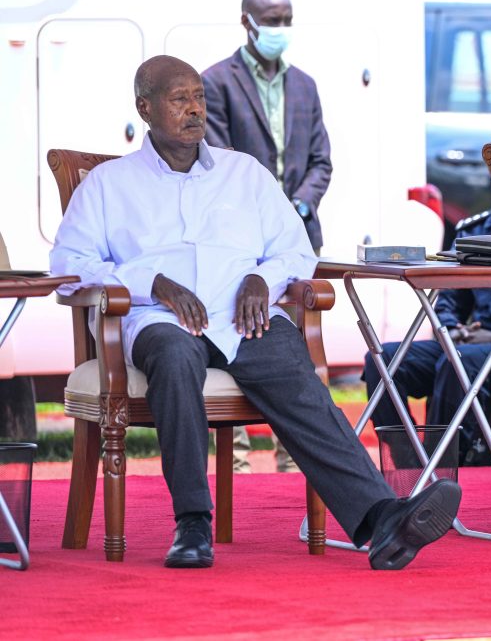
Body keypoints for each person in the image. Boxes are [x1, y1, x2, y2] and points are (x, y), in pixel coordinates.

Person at [49, 55, 460, 569]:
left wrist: (259, 279)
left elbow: (295, 250)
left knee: (296, 374)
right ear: (145, 108)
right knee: (175, 358)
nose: (194, 109)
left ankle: (382, 520)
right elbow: (69, 264)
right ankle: (193, 526)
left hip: (241, 317)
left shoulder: (244, 173)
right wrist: (148, 281)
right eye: (180, 100)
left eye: (198, 96)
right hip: (157, 318)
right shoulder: (109, 184)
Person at [201, 0, 332, 473]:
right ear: (246, 22)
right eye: (271, 20)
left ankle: (292, 456)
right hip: (235, 238)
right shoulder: (215, 82)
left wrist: (298, 205)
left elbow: (321, 160)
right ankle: (232, 457)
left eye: (286, 19)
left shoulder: (304, 84)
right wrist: (265, 207)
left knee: (293, 343)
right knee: (234, 333)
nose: (280, 29)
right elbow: (219, 162)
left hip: (295, 235)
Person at [364, 129, 491, 466]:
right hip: (469, 339)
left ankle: (443, 466)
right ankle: (408, 462)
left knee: (455, 360)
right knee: (381, 358)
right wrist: (450, 329)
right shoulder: (472, 230)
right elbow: (447, 297)